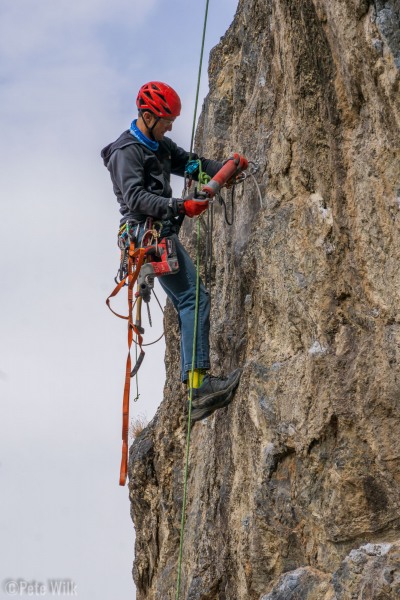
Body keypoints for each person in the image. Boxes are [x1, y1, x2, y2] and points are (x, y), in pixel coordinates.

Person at [101, 81, 241, 422]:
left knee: (189, 299)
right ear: (147, 116)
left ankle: (197, 385)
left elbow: (190, 163)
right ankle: (199, 388)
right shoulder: (127, 152)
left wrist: (224, 168)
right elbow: (135, 198)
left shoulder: (159, 145)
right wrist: (180, 204)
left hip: (159, 234)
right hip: (146, 236)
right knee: (194, 299)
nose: (170, 125)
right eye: (166, 119)